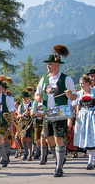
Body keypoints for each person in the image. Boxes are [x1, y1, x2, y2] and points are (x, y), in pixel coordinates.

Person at [35, 44, 77, 177]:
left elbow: (75, 96)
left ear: (57, 65)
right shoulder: (44, 79)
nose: (48, 66)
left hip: (60, 112)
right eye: (48, 64)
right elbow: (36, 94)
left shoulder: (66, 79)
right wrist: (38, 97)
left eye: (51, 64)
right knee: (48, 140)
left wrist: (70, 95)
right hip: (47, 113)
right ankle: (60, 158)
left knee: (59, 139)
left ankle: (59, 167)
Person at [73, 75, 95, 170]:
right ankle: (92, 160)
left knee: (92, 138)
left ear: (88, 83)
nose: (81, 85)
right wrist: (77, 117)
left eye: (82, 83)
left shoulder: (94, 92)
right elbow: (77, 106)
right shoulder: (79, 94)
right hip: (82, 116)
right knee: (87, 139)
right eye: (80, 83)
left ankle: (90, 161)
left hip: (92, 116)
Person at [17, 91, 33, 161]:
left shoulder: (32, 104)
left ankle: (30, 154)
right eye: (24, 98)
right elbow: (17, 116)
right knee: (23, 138)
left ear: (28, 98)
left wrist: (30, 111)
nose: (25, 100)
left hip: (29, 123)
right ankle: (26, 153)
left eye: (26, 98)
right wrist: (21, 116)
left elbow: (34, 112)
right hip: (23, 124)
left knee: (29, 138)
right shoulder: (20, 106)